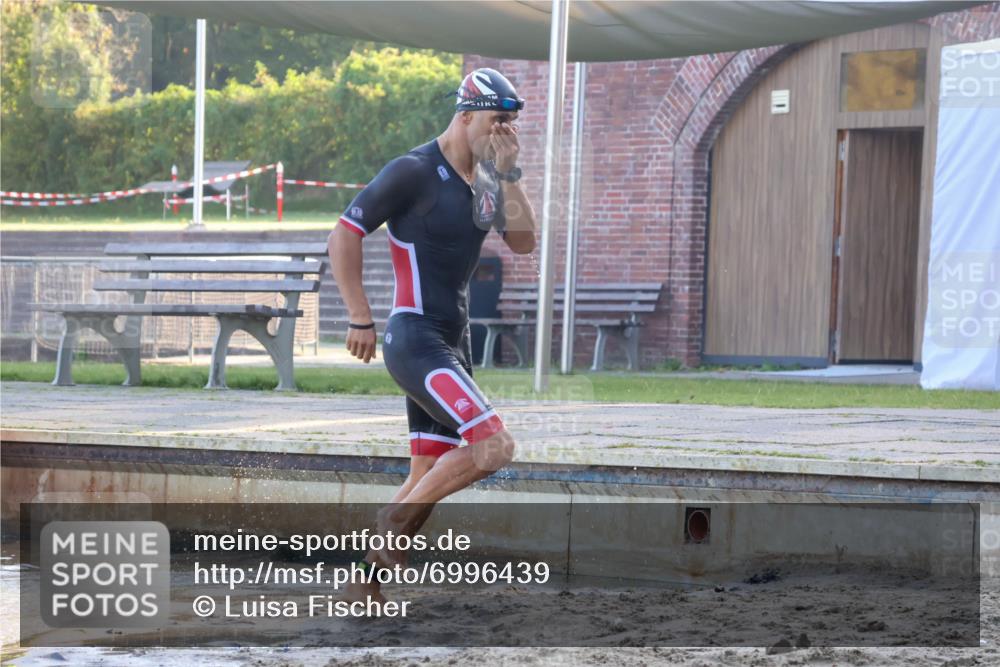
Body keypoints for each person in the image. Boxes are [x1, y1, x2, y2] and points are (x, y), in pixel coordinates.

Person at [327, 68, 537, 605]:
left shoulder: (490, 178)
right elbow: (345, 233)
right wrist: (359, 316)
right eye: (496, 122)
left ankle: (362, 583)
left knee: (427, 473)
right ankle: (390, 523)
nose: (503, 135)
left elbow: (524, 243)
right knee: (493, 445)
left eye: (511, 126)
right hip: (415, 338)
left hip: (453, 344)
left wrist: (509, 174)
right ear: (465, 115)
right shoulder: (413, 171)